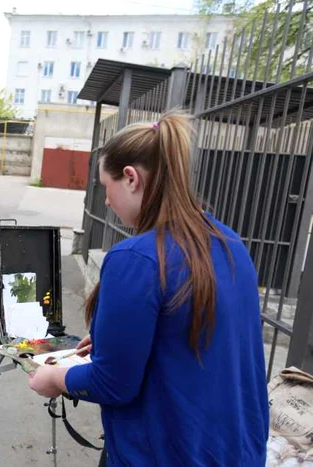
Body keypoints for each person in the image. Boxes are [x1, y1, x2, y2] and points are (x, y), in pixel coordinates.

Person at [28, 111, 269, 465]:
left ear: (130, 178)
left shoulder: (137, 258)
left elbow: (113, 384)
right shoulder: (228, 242)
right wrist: (122, 342)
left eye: (105, 188)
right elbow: (201, 337)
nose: (106, 202)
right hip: (234, 451)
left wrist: (56, 378)